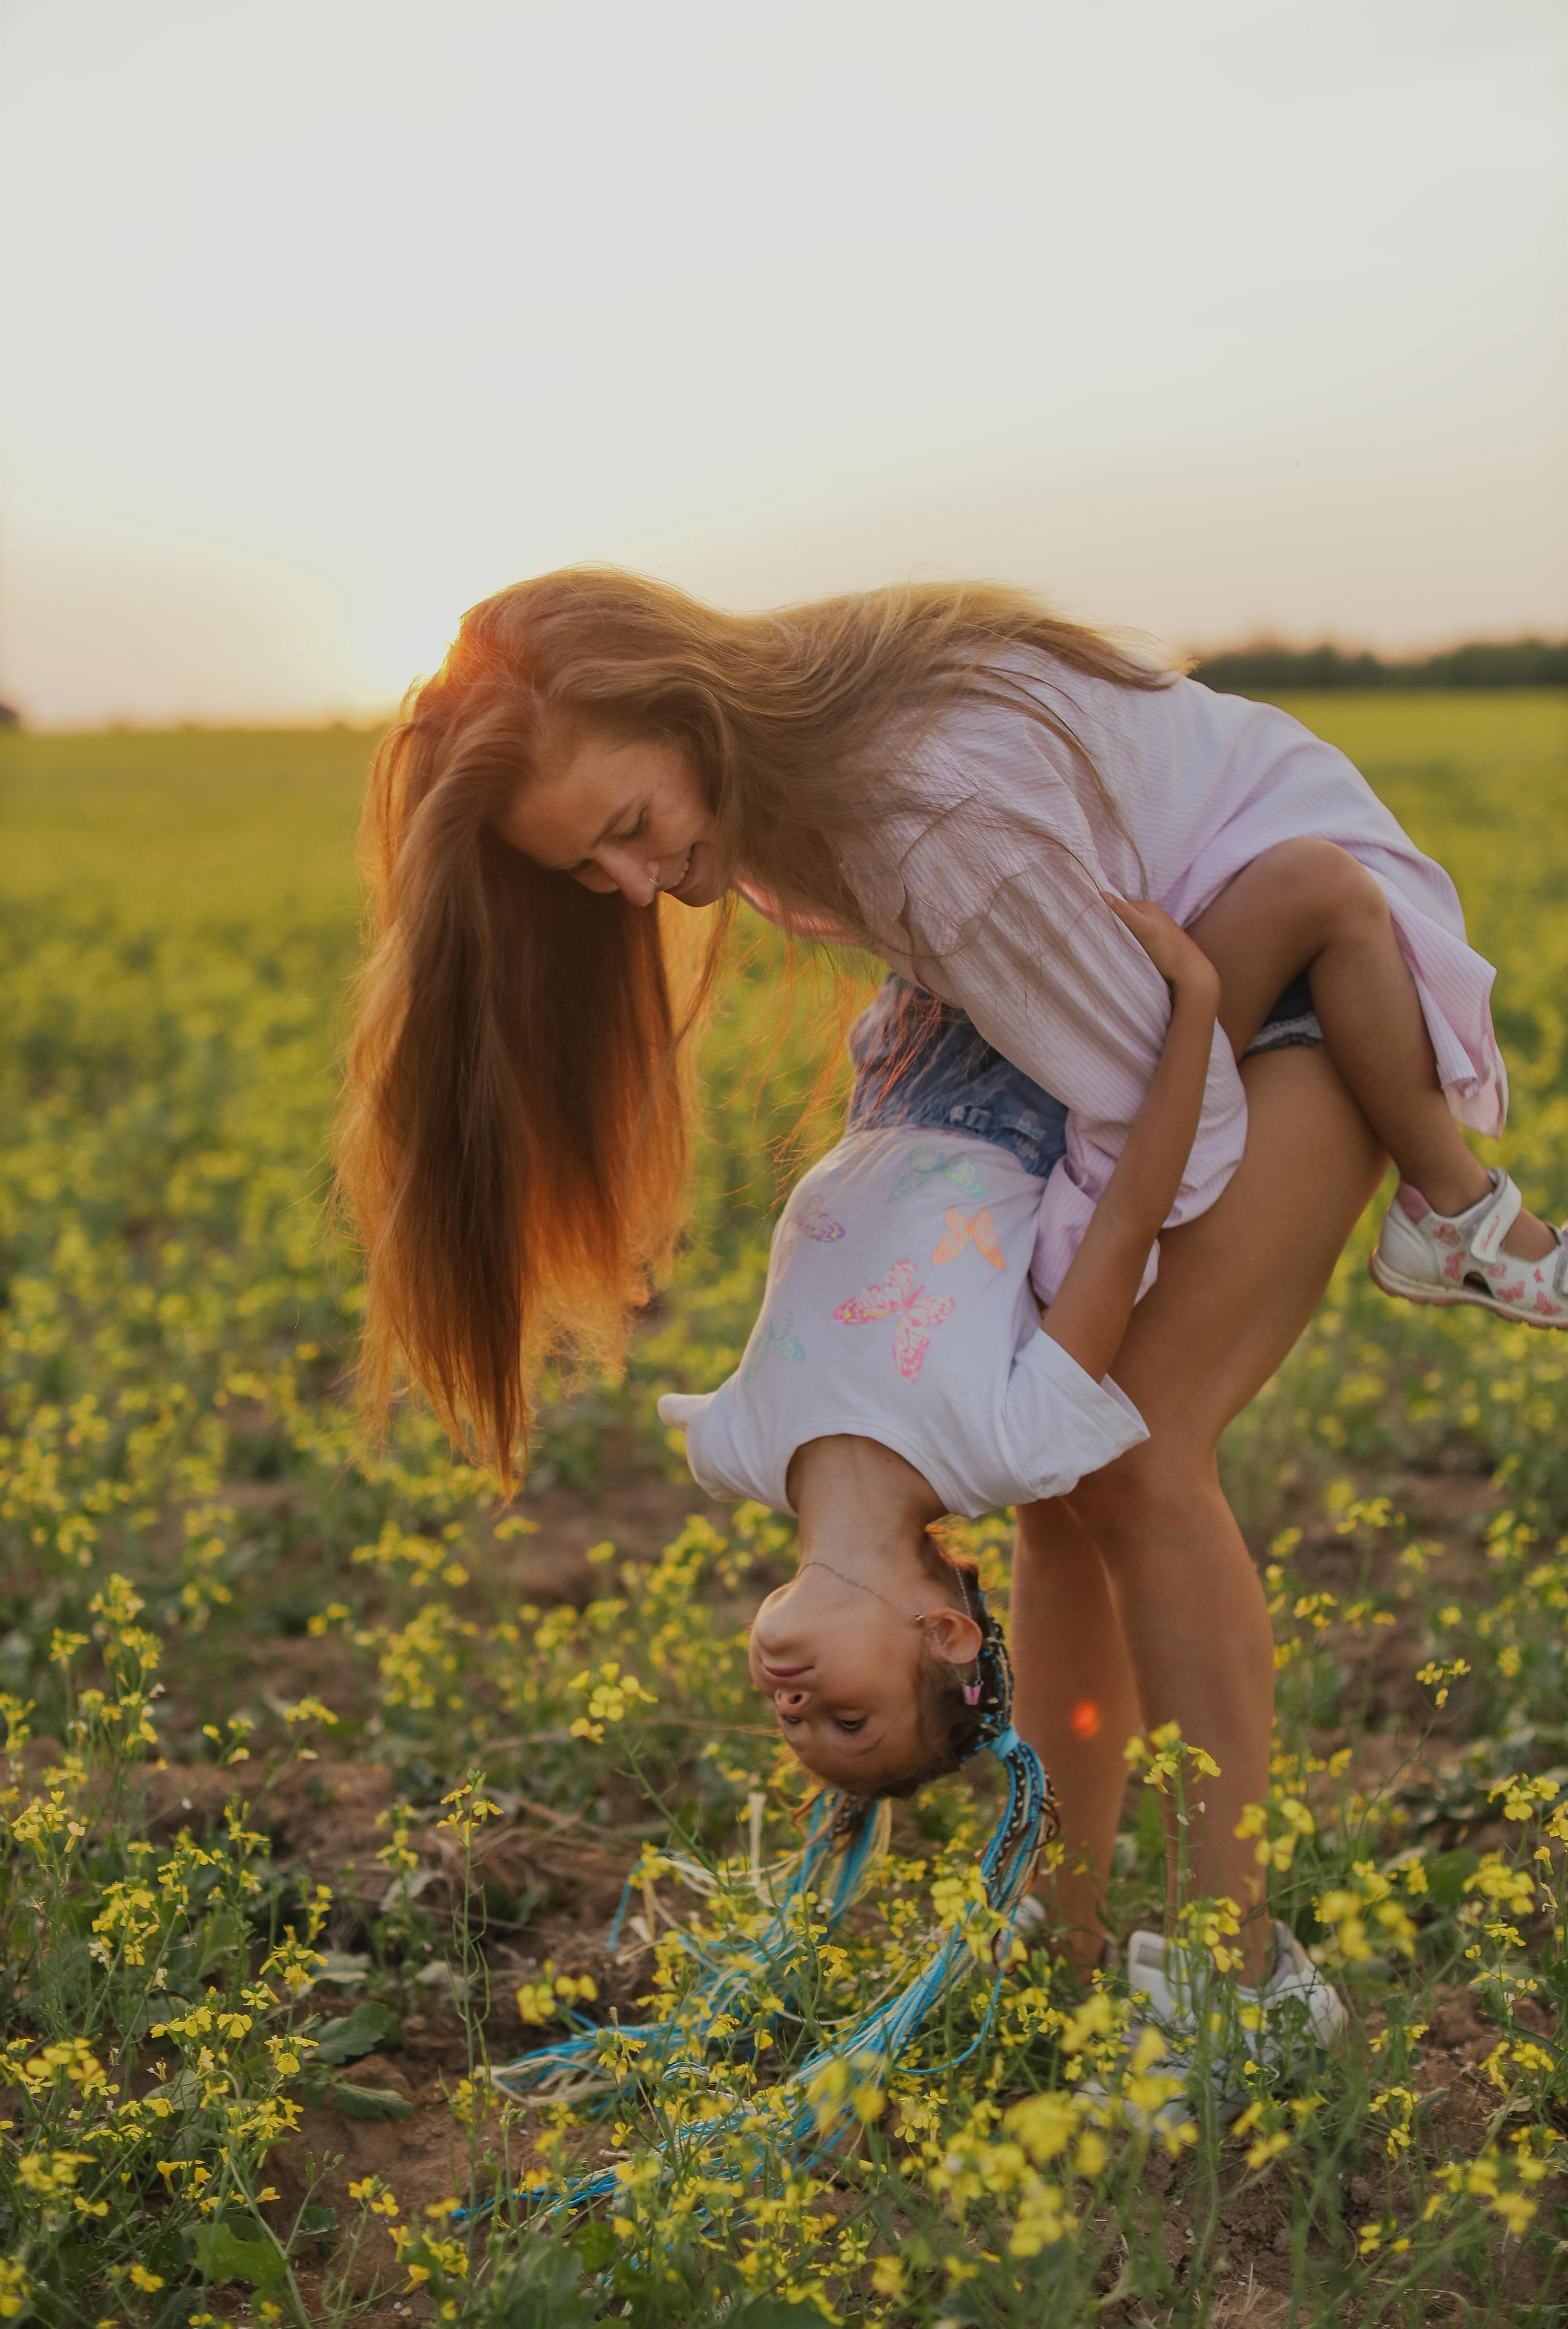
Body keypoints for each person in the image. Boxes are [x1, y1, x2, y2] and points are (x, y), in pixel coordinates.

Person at [337, 568, 1550, 1982]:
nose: (627, 886)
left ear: (682, 712)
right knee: (1062, 1475)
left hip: (1292, 974)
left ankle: (1236, 1971)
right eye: (582, 870)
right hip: (1149, 1007)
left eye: (625, 829)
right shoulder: (770, 798)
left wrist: (1039, 1293)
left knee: (1136, 1455)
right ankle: (1063, 1909)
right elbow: (1031, 1028)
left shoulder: (921, 822)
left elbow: (1172, 1104)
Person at [659, 896, 1218, 1797]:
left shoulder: (737, 1452)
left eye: (792, 1726)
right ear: (943, 1632)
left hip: (891, 1074)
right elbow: (1123, 1225)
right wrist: (1194, 1005)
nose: (795, 1711)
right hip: (1037, 1089)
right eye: (851, 1720)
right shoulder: (1006, 1448)